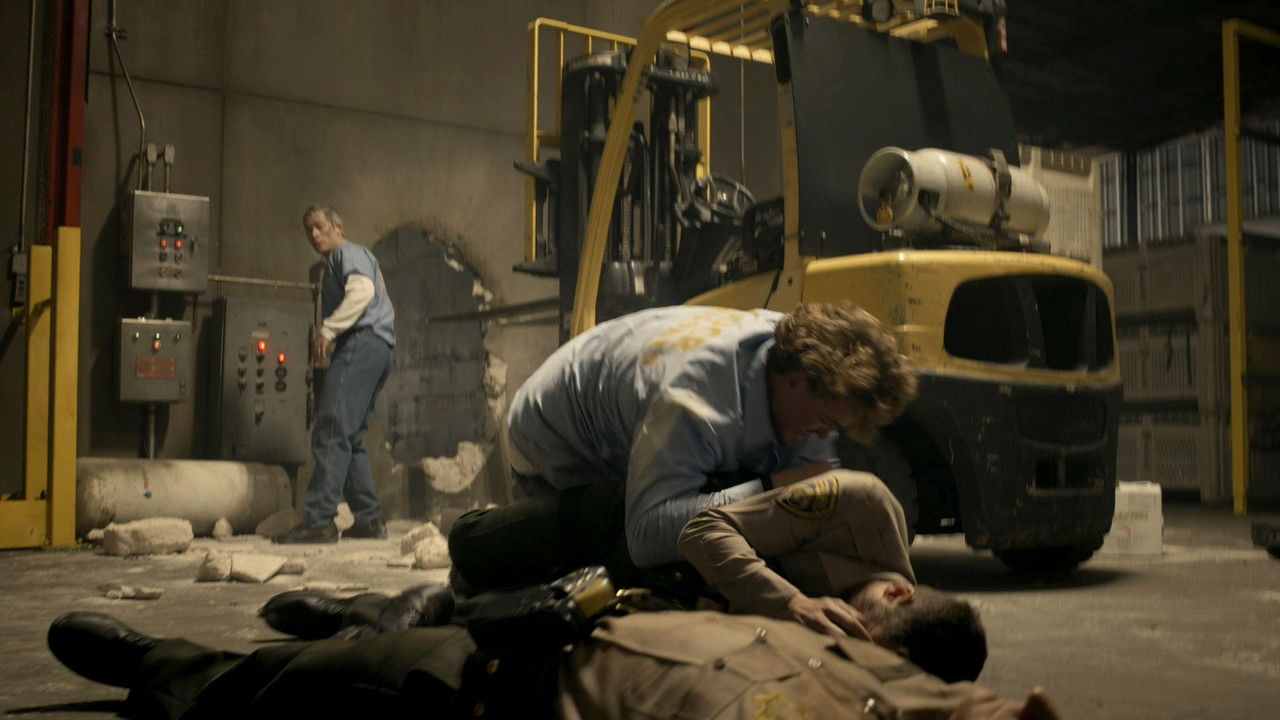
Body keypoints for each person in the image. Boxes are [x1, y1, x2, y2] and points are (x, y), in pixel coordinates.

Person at [449, 303, 918, 589]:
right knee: (636, 563)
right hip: (554, 440)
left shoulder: (799, 362)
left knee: (727, 513)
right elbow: (647, 536)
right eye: (826, 423)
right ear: (795, 381)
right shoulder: (695, 401)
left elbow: (801, 506)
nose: (825, 437)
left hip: (634, 403)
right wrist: (771, 486)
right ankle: (483, 556)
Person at [45, 600, 1059, 720]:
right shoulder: (830, 640)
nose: (874, 599)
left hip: (482, 696)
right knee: (373, 645)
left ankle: (166, 667)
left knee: (268, 692)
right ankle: (351, 623)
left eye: (889, 600)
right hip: (519, 637)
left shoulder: (900, 693)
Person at [679, 468, 986, 683]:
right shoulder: (857, 504)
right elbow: (701, 531)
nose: (850, 647)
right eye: (861, 634)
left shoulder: (892, 659)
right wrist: (788, 602)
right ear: (897, 593)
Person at [276, 205, 396, 544]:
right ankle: (369, 520)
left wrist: (327, 330)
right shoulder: (340, 261)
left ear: (338, 228)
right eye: (309, 230)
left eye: (320, 226)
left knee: (330, 429)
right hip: (378, 349)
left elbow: (362, 292)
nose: (314, 234)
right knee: (349, 437)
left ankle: (318, 522)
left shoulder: (347, 253)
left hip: (361, 343)